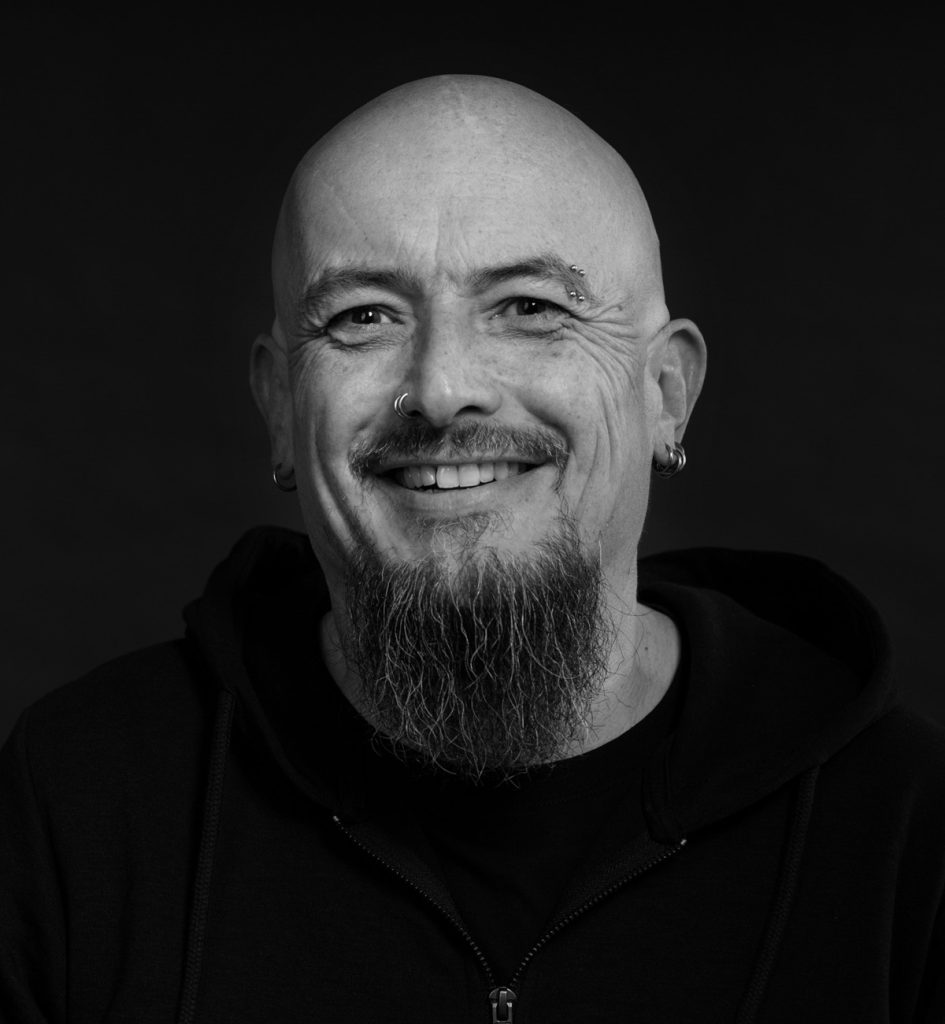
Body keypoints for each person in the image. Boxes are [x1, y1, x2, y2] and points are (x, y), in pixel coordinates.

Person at [1, 74, 942, 1024]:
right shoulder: (78, 804)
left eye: (529, 307)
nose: (443, 388)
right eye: (363, 316)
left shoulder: (904, 834)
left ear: (665, 393)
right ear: (281, 407)